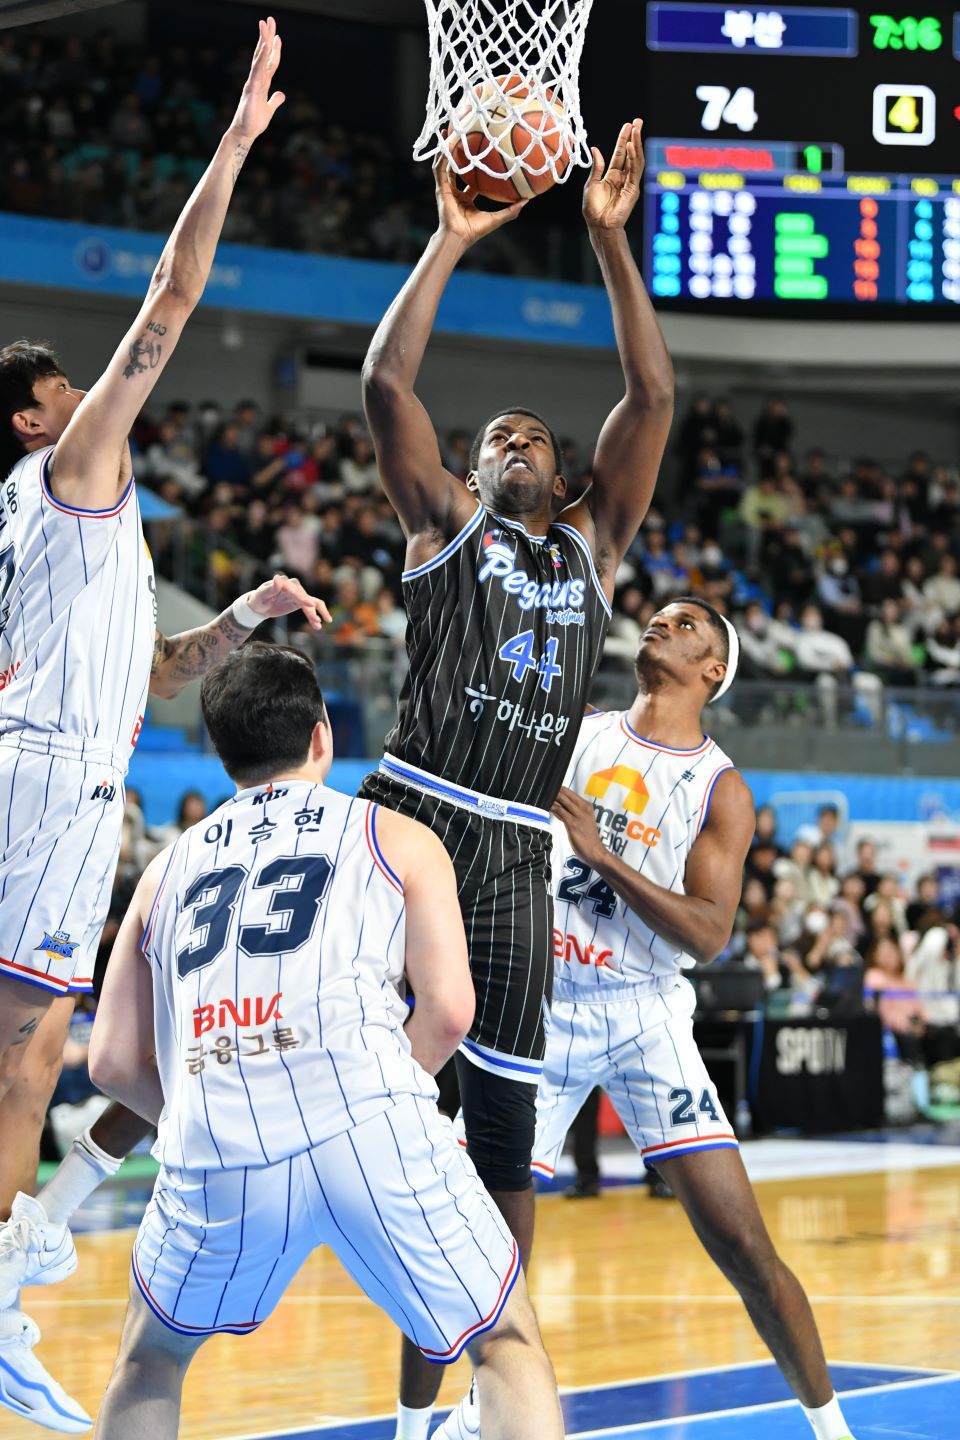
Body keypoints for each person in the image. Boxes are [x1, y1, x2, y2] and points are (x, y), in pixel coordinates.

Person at [0, 22, 332, 1431]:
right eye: (66, 391)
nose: (97, 395)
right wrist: (235, 144)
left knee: (31, 1048)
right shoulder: (75, 468)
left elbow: (145, 682)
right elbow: (175, 293)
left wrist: (242, 618)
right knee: (25, 1052)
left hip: (51, 763)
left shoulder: (52, 520)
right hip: (52, 786)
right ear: (36, 423)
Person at [359, 119, 674, 1440]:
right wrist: (447, 239)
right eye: (496, 436)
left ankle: (474, 1398)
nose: (515, 441)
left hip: (508, 850)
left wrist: (610, 245)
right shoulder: (444, 526)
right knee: (359, 1094)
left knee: (500, 1139)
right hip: (407, 818)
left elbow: (650, 401)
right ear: (475, 470)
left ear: (563, 472)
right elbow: (386, 383)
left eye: (535, 436)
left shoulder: (593, 547)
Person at [87, 643, 563, 1440]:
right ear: (321, 736)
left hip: (218, 1138)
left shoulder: (165, 870)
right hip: (366, 1119)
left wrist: (224, 1095)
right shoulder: (395, 834)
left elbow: (108, 1061)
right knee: (504, 1342)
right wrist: (367, 1085)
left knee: (151, 1359)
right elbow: (449, 1013)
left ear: (222, 753)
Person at [531, 597, 857, 1440]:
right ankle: (430, 1423)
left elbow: (710, 933)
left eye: (686, 626)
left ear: (714, 670)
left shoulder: (721, 787)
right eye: (659, 617)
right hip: (545, 1006)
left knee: (744, 1247)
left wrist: (601, 854)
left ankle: (833, 1430)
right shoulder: (579, 731)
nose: (660, 624)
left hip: (644, 1013)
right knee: (472, 1248)